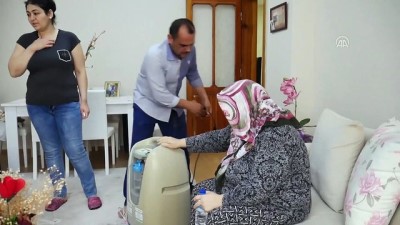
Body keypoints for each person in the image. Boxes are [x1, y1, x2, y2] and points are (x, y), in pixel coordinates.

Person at [159, 79, 311, 225]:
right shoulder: (253, 120)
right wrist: (181, 142)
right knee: (200, 190)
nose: (229, 118)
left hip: (280, 204)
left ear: (245, 106)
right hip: (250, 187)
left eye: (231, 112)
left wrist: (221, 200)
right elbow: (219, 138)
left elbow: (262, 187)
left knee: (214, 217)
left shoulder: (277, 136)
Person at [8, 0, 102, 211]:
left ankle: (91, 192)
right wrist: (33, 47)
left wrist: (84, 100)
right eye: (28, 14)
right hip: (38, 106)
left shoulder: (69, 38)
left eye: (36, 13)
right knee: (51, 152)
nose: (32, 18)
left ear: (49, 13)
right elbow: (14, 71)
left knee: (75, 150)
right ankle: (59, 194)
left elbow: (80, 71)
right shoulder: (25, 41)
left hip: (67, 104)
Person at [118, 18, 211, 218]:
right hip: (147, 104)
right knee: (139, 153)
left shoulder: (189, 51)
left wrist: (205, 99)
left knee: (182, 148)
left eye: (191, 45)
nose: (187, 49)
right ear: (170, 39)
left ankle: (185, 193)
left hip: (172, 106)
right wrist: (191, 106)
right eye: (183, 45)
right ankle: (130, 200)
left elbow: (193, 74)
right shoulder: (155, 55)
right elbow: (160, 94)